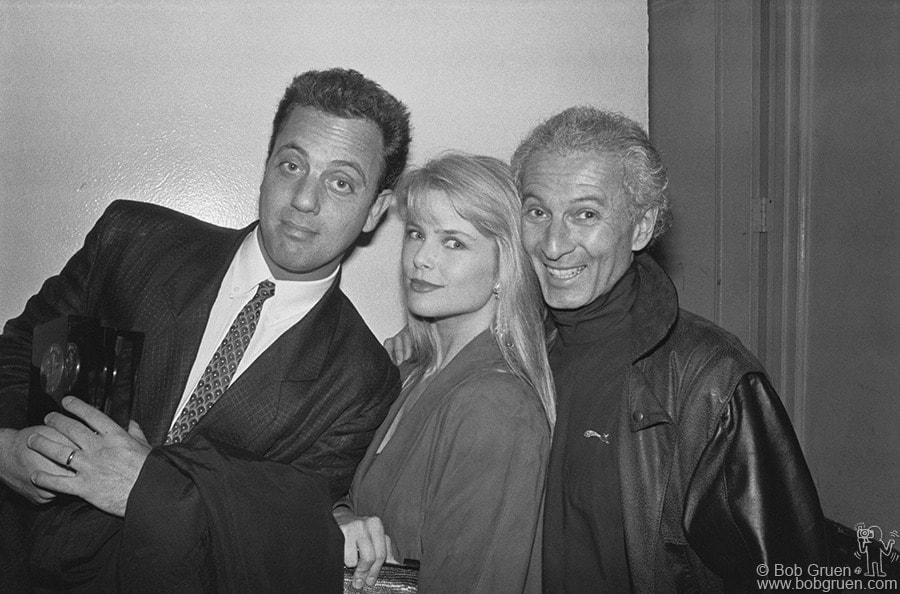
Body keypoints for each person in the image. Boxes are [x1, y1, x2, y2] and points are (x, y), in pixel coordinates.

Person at [0, 67, 410, 591]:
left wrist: (145, 486)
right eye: (291, 165)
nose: (305, 200)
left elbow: (272, 532)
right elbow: (18, 356)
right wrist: (7, 448)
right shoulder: (133, 242)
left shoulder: (361, 381)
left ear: (375, 209)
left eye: (341, 182)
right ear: (265, 167)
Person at [509, 106, 829, 591]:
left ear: (641, 227)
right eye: (537, 211)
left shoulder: (713, 378)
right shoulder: (513, 350)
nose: (553, 244)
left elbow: (789, 573)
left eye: (586, 214)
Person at [335, 153, 554, 593]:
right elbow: (353, 501)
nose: (421, 259)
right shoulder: (416, 373)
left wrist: (380, 584)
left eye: (453, 242)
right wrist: (344, 520)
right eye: (417, 234)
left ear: (504, 268)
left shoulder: (495, 408)